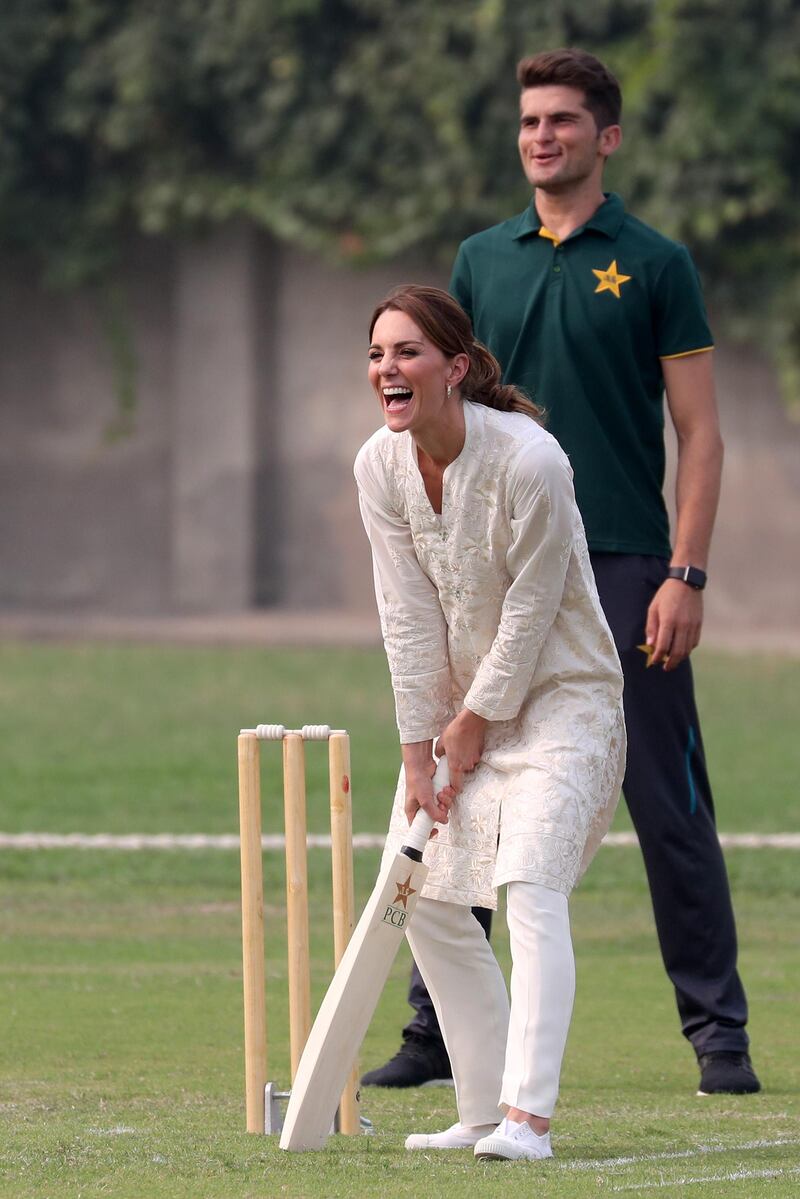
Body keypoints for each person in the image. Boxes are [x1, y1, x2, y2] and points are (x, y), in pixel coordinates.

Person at [367, 47, 759, 1099]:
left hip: (624, 559)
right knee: (469, 781)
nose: (542, 135)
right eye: (529, 121)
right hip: (495, 567)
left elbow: (700, 432)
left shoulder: (655, 261)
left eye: (563, 121)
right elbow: (439, 402)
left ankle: (717, 1034)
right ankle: (436, 1031)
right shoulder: (479, 258)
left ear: (605, 137)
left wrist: (687, 571)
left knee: (664, 797)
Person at [355, 283, 626, 1161]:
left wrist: (472, 723)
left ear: (456, 368)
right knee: (423, 891)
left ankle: (530, 1119)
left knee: (528, 886)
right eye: (376, 354)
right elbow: (406, 616)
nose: (386, 370)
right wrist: (415, 746)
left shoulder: (532, 461)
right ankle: (481, 1106)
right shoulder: (379, 465)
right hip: (464, 707)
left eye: (407, 353)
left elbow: (535, 611)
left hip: (564, 697)